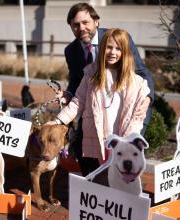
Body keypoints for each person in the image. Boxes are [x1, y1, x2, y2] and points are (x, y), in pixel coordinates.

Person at [59, 3, 154, 176]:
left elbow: (141, 72)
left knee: (121, 161)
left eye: (85, 22)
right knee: (84, 152)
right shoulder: (71, 51)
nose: (81, 28)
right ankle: (94, 189)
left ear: (96, 21)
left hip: (123, 110)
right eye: (75, 25)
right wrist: (68, 94)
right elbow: (76, 81)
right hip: (93, 108)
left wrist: (148, 97)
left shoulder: (117, 39)